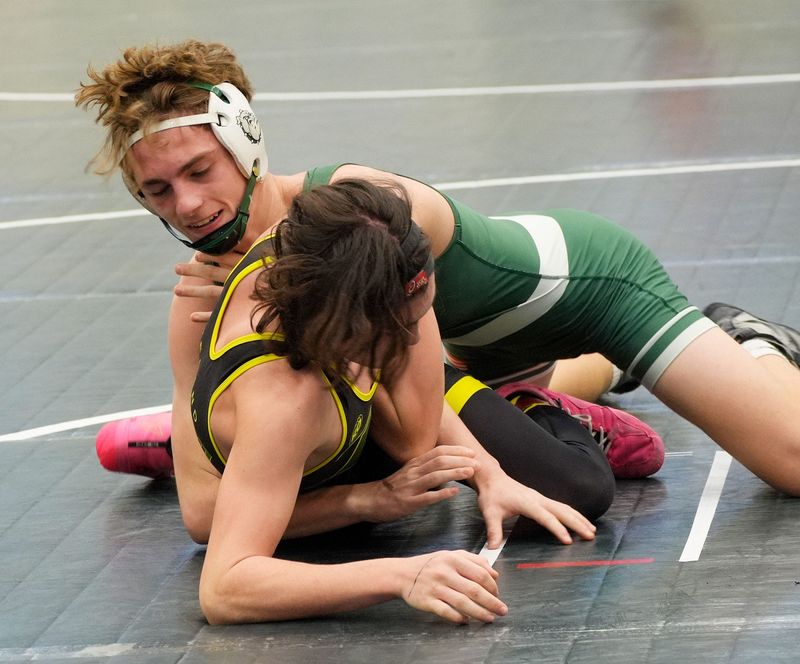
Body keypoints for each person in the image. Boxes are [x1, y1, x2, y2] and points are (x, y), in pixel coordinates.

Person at [74, 40, 800, 501]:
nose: (190, 206)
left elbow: (408, 429)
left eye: (199, 170)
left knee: (792, 463)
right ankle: (593, 381)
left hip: (586, 288)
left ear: (245, 143)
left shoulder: (358, 209)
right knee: (464, 385)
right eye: (159, 191)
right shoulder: (212, 274)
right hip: (457, 349)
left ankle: (744, 338)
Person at [187, 177, 605, 623]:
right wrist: (400, 572)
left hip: (349, 413)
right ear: (347, 323)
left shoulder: (364, 251)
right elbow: (223, 588)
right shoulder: (284, 402)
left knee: (577, 489)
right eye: (399, 328)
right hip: (304, 440)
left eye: (420, 313)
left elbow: (417, 440)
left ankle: (545, 397)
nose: (416, 339)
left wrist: (490, 472)